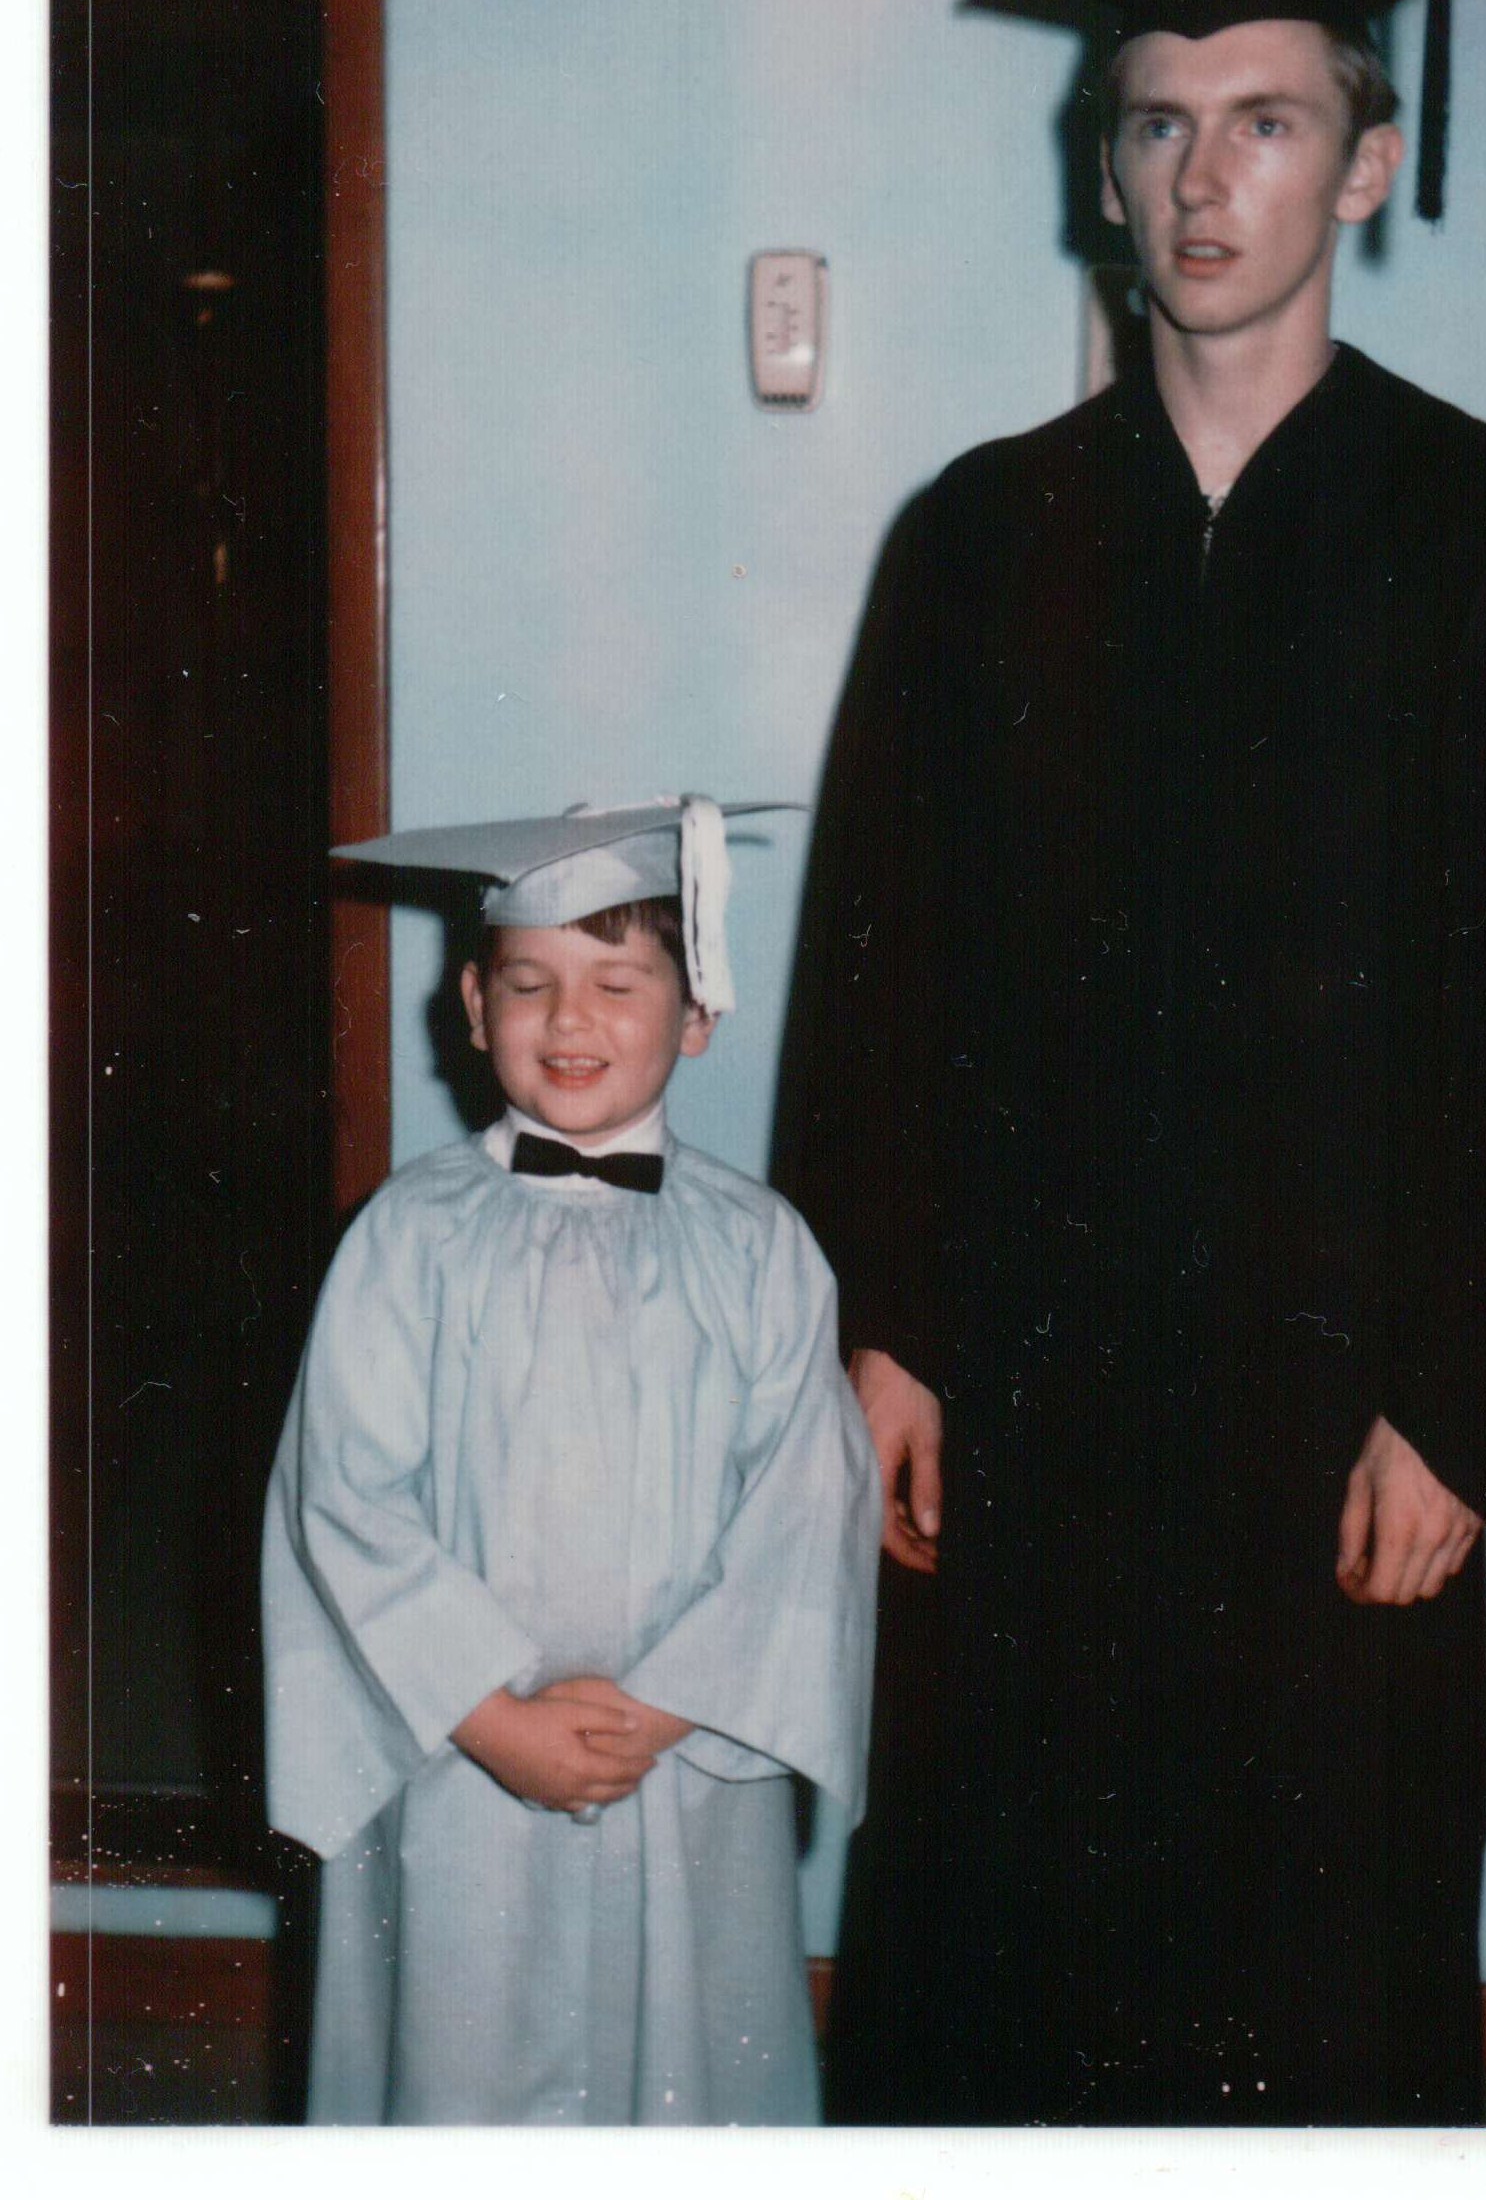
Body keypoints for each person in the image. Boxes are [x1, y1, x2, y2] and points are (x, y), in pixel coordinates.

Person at [773, 0, 1486, 2127]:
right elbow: (882, 964)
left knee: (1312, 1961)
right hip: (1034, 1386)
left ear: (1360, 162)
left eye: (1262, 122)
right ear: (1102, 170)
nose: (1199, 177)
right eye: (1154, 122)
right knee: (1007, 1941)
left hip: (1342, 1396)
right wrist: (884, 1329)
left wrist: (1465, 1404)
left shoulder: (1482, 523)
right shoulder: (982, 535)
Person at [263, 797, 881, 2125]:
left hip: (684, 1754)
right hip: (461, 1750)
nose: (569, 1020)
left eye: (617, 982)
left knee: (689, 2053)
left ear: (696, 1013)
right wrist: (493, 1718)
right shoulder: (406, 1237)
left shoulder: (761, 1247)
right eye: (530, 983)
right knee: (464, 2046)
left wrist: (668, 1707)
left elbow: (805, 1503)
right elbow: (343, 1499)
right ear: (473, 1008)